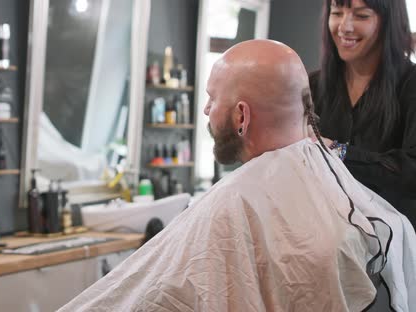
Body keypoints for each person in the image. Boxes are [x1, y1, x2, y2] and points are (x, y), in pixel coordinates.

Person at [58, 40, 416, 311]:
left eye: (213, 99)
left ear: (241, 117)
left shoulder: (237, 202)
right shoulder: (335, 187)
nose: (206, 109)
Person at [309, 0, 416, 226]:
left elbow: (411, 171)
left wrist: (337, 151)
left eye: (361, 16)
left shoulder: (410, 85)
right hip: (324, 239)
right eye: (337, 13)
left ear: (389, 23)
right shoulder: (312, 86)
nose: (345, 27)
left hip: (395, 246)